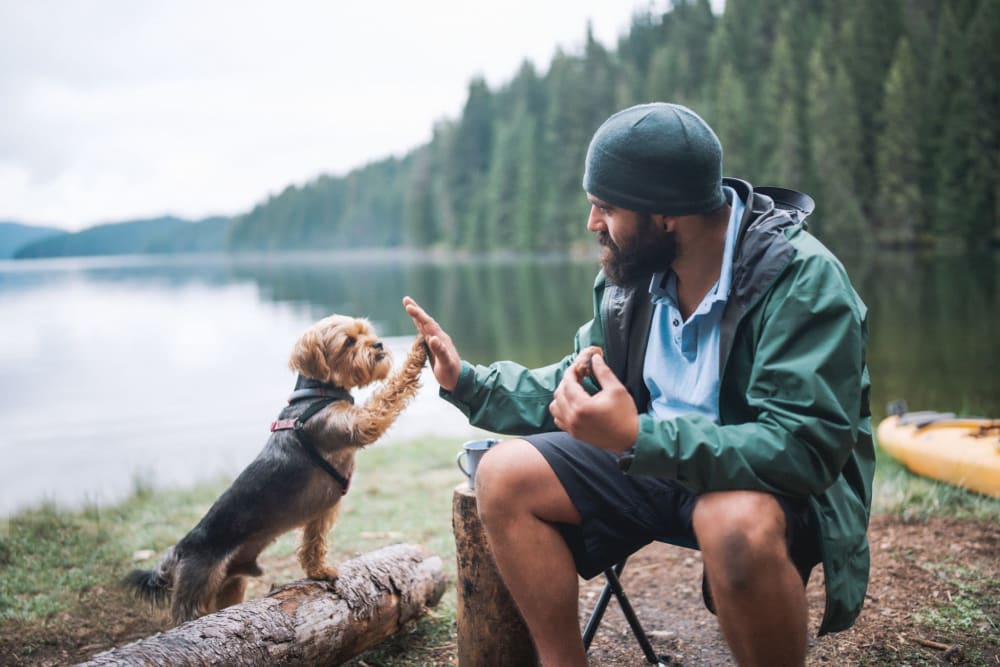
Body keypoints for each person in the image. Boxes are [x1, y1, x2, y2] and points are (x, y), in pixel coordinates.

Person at [404, 102, 873, 667]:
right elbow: (576, 378)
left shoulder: (801, 279)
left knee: (730, 524)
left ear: (666, 214)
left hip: (763, 483)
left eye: (605, 207)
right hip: (652, 462)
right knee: (503, 475)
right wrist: (470, 383)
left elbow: (803, 448)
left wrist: (637, 438)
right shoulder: (631, 278)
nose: (592, 224)